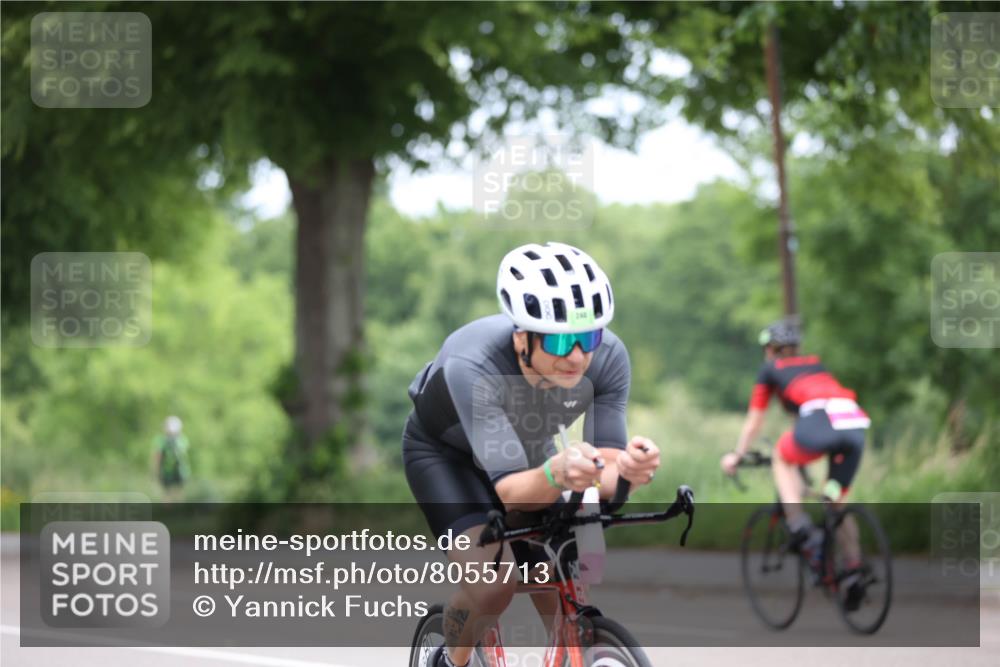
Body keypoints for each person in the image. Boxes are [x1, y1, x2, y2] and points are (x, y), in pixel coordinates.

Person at [403, 242, 661, 667]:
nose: (577, 356)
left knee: (557, 570)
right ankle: (448, 658)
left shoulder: (609, 358)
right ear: (521, 336)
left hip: (527, 455)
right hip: (445, 458)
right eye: (560, 341)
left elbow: (608, 467)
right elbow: (510, 494)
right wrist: (559, 473)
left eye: (587, 337)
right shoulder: (474, 362)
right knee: (494, 586)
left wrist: (630, 471)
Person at [720, 320, 870, 608]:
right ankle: (853, 570)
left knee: (781, 455)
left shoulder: (771, 369)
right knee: (835, 500)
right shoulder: (816, 364)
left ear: (771, 350)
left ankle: (798, 524)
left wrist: (737, 455)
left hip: (820, 423)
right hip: (853, 425)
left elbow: (755, 420)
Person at [152, 416, 191, 496]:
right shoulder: (181, 440)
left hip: (174, 472)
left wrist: (155, 472)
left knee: (169, 495)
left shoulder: (162, 441)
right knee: (175, 495)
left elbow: (157, 458)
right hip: (171, 472)